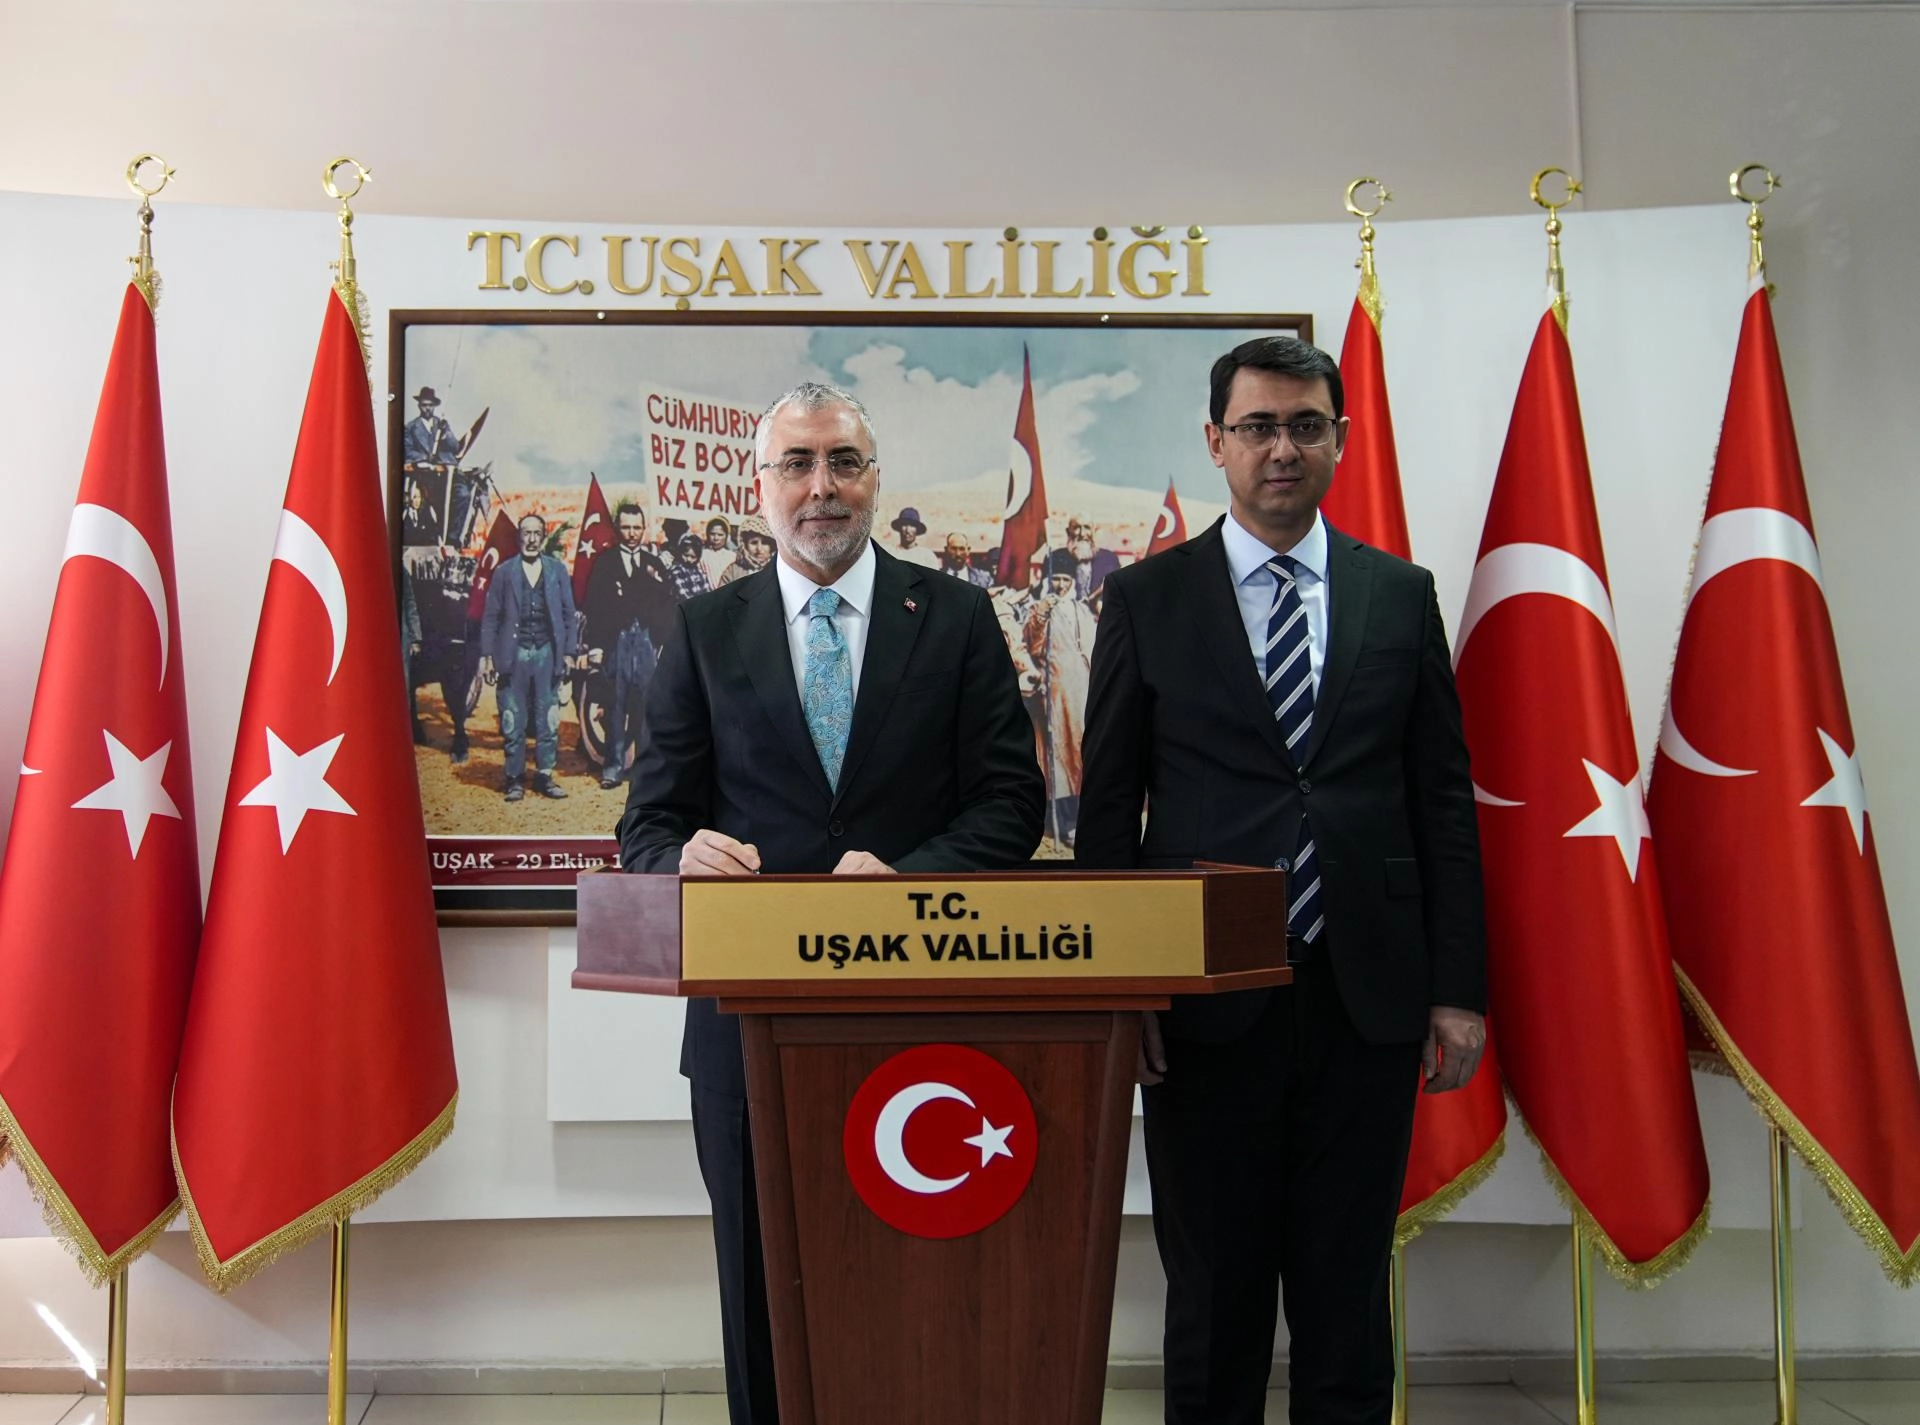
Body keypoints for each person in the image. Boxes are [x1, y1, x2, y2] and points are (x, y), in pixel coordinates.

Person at [1076, 336, 1487, 1425]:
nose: (1282, 449)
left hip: (1369, 997)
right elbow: (1109, 814)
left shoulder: (1400, 595)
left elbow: (1442, 803)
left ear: (1340, 440)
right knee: (1215, 1296)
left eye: (1306, 426)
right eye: (1258, 427)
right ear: (1217, 442)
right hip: (1203, 998)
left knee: (1347, 1295)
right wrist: (1123, 990)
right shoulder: (1148, 599)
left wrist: (1457, 989)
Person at [618, 381, 1044, 1425]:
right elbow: (648, 825)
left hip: (923, 1019)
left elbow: (1010, 804)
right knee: (763, 1289)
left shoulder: (954, 618)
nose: (822, 486)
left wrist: (912, 878)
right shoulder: (706, 628)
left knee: (919, 1289)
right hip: (745, 1032)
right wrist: (681, 855)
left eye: (843, 462)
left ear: (874, 479)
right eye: (797, 464)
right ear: (760, 486)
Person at [480, 513, 579, 802]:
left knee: (548, 717)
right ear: (518, 537)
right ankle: (514, 778)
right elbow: (491, 617)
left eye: (537, 533)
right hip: (513, 654)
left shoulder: (557, 570)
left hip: (547, 653)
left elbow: (568, 614)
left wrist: (569, 652)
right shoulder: (504, 572)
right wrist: (487, 656)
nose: (532, 539)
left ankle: (545, 775)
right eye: (526, 533)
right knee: (513, 718)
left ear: (544, 537)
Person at [582, 501, 677, 790]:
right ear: (617, 528)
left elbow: (666, 604)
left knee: (646, 706)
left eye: (637, 527)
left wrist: (662, 642)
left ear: (644, 528)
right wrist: (596, 646)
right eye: (626, 527)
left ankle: (643, 770)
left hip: (645, 641)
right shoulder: (605, 563)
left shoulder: (653, 563)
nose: (632, 533)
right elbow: (595, 608)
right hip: (617, 642)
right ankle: (612, 766)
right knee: (615, 705)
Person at [1024, 548, 1097, 850]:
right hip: (1056, 693)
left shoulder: (1081, 609)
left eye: (1066, 580)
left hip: (1083, 693)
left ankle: (1083, 820)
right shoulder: (1040, 609)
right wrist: (1041, 615)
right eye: (1057, 579)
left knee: (1082, 753)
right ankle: (1064, 822)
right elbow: (1033, 645)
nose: (1062, 585)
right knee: (1059, 756)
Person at [1063, 515, 1121, 601]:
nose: (1082, 534)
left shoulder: (1110, 559)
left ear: (1094, 531)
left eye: (1087, 528)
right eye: (1076, 528)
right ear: (1068, 532)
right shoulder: (1055, 559)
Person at [402, 386, 460, 470]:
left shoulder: (442, 424)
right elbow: (408, 451)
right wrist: (425, 457)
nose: (428, 408)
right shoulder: (410, 427)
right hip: (422, 469)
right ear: (419, 406)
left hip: (444, 467)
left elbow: (455, 447)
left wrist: (446, 434)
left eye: (431, 405)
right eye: (424, 405)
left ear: (434, 406)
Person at [715, 514, 777, 586]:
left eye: (764, 543)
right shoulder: (732, 571)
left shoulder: (778, 569)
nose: (759, 549)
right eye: (754, 543)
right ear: (744, 545)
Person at [669, 532, 714, 602]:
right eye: (686, 555)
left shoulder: (699, 571)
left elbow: (706, 588)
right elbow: (683, 593)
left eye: (693, 557)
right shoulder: (677, 571)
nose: (689, 559)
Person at [700, 516, 737, 588]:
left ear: (726, 536)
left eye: (720, 535)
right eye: (712, 534)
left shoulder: (732, 556)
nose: (716, 538)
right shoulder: (702, 555)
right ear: (707, 534)